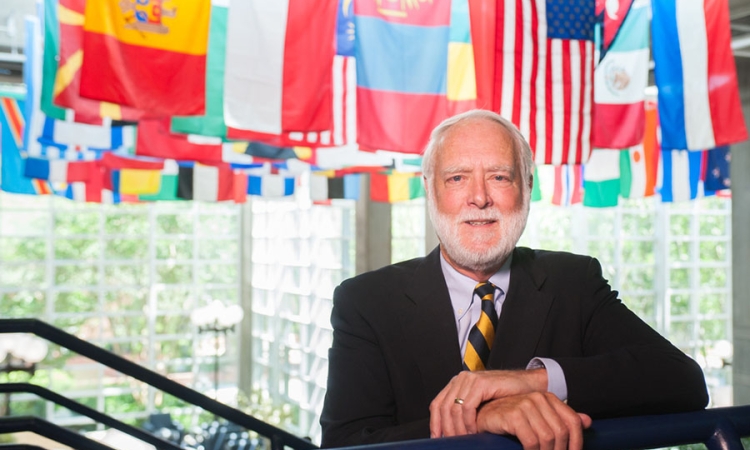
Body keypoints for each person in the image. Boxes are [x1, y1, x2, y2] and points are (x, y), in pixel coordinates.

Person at [319, 109, 708, 449]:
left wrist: (532, 383)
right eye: (456, 178)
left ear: (527, 188)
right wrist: (480, 419)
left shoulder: (574, 282)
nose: (479, 197)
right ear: (430, 191)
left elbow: (682, 381)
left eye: (500, 177)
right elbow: (346, 443)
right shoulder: (367, 301)